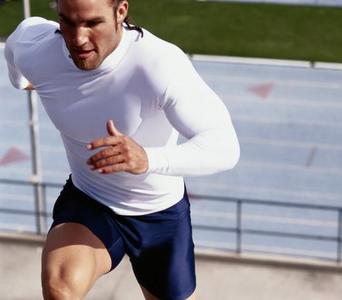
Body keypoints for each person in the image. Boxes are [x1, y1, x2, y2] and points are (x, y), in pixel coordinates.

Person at [4, 0, 240, 299]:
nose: (78, 39)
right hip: (90, 200)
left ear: (121, 12)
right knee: (60, 287)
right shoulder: (37, 51)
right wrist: (23, 81)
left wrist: (148, 159)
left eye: (92, 24)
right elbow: (14, 49)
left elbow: (224, 147)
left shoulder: (159, 64)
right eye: (67, 22)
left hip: (159, 214)